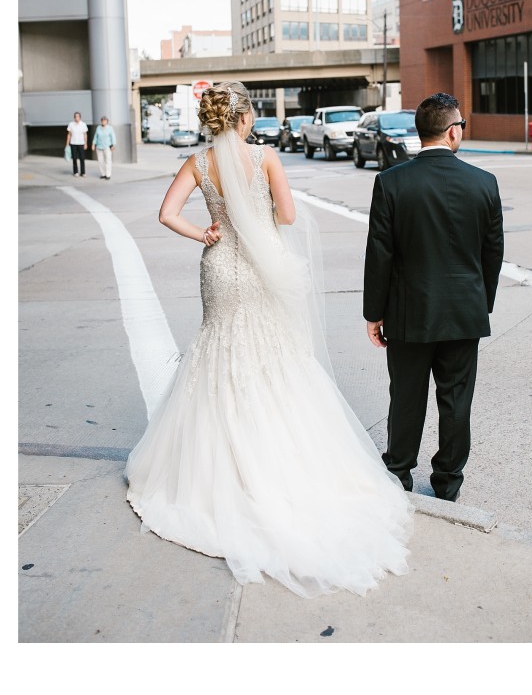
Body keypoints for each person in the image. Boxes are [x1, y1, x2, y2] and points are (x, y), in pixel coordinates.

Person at [125, 81, 412, 598]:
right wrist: (255, 213)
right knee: (273, 358)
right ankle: (280, 463)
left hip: (220, 269)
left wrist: (207, 232)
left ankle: (223, 469)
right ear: (244, 117)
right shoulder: (265, 158)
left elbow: (167, 214)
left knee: (220, 352)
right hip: (262, 270)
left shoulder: (199, 163)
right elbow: (287, 216)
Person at [363, 92, 504, 503]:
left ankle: (399, 474)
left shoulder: (390, 182)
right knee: (456, 399)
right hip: (464, 311)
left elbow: (379, 254)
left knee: (405, 396)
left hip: (408, 313)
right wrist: (482, 303)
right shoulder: (484, 182)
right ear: (453, 131)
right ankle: (447, 481)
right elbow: (492, 253)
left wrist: (374, 312)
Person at [66, 112, 88, 177]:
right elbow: (69, 134)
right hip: (73, 143)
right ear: (74, 117)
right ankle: (75, 172)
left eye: (78, 116)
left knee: (82, 158)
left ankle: (83, 172)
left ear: (80, 117)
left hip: (81, 143)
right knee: (74, 158)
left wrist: (85, 143)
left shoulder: (83, 124)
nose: (77, 118)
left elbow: (85, 134)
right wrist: (67, 144)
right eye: (76, 116)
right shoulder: (71, 124)